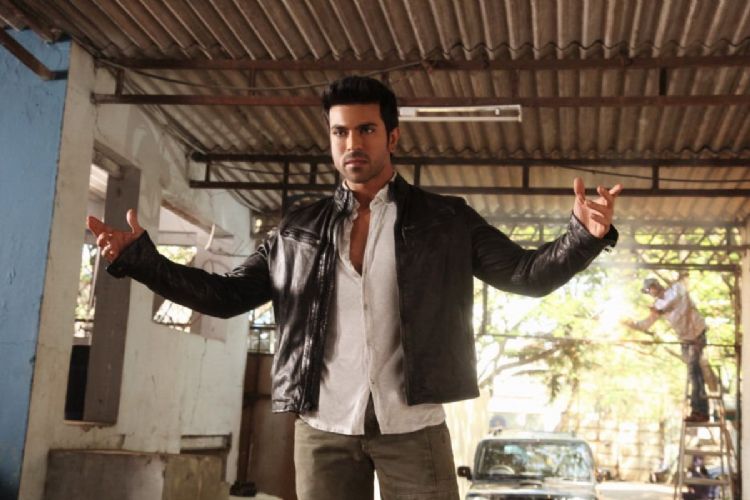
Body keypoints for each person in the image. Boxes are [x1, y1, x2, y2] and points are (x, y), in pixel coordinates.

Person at [87, 76, 622, 500]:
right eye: (340, 132)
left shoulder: (445, 220)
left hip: (413, 426)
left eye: (366, 130)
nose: (352, 143)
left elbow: (526, 275)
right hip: (323, 428)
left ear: (392, 137)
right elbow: (226, 297)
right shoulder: (297, 230)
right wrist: (143, 262)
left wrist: (583, 237)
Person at [624, 278, 710, 422]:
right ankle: (700, 410)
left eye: (650, 288)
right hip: (686, 340)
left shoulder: (676, 289)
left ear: (656, 285)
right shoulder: (657, 305)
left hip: (698, 335)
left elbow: (680, 302)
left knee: (694, 372)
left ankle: (699, 411)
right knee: (694, 374)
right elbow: (646, 324)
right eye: (647, 291)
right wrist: (632, 324)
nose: (650, 292)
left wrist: (662, 310)